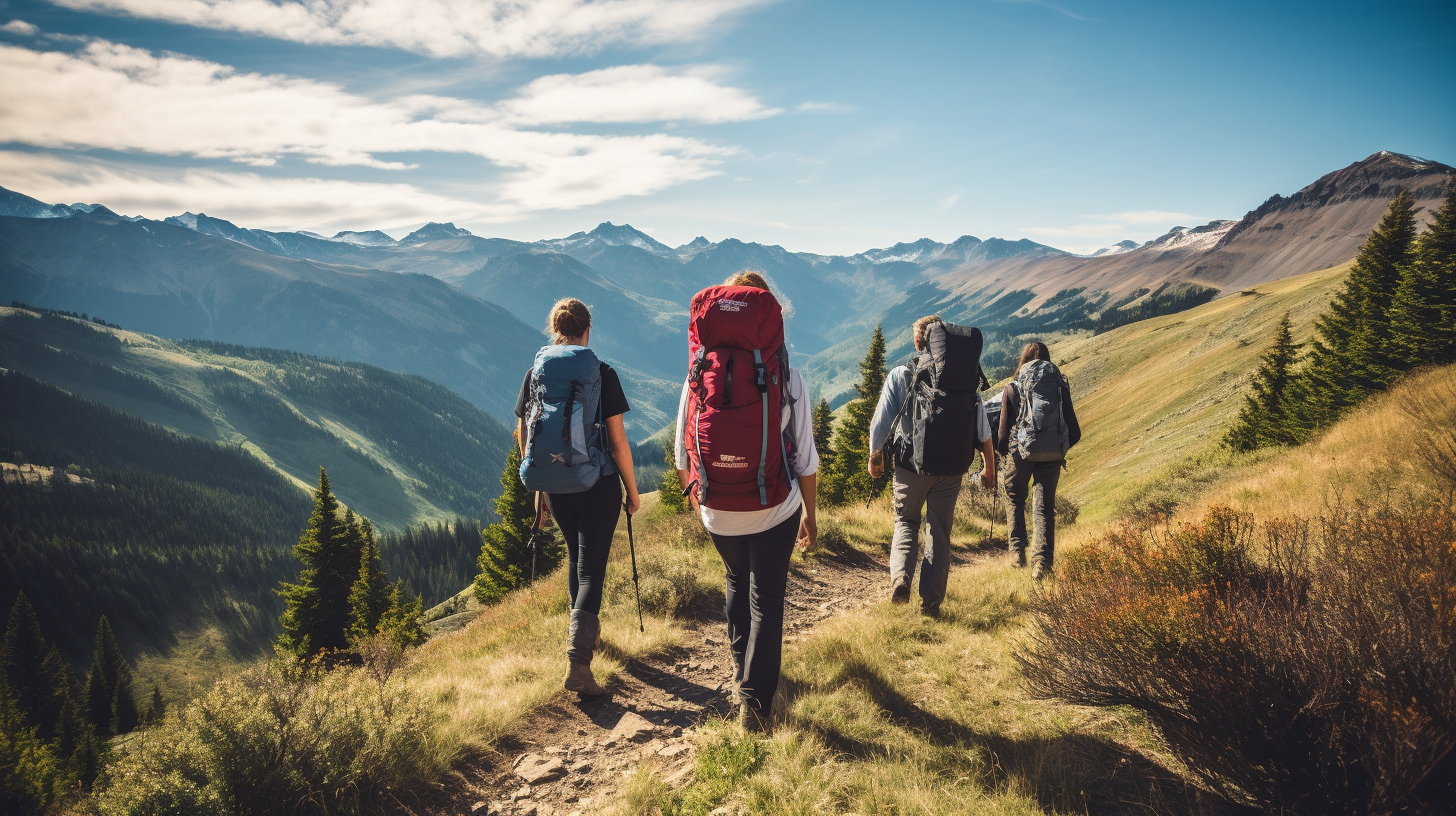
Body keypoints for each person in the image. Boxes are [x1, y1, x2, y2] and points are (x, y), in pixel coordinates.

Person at [675, 271, 819, 732]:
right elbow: (807, 459)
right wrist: (810, 517)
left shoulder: (698, 375)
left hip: (717, 508)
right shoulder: (789, 377)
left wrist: (701, 501)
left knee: (737, 579)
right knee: (768, 600)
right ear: (770, 317)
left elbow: (683, 451)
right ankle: (754, 707)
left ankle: (741, 674)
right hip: (774, 507)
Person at [516, 298, 641, 696]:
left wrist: (542, 483)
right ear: (588, 330)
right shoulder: (601, 373)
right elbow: (618, 442)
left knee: (576, 560)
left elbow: (523, 431)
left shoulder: (535, 373)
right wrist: (632, 492)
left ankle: (583, 641)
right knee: (592, 571)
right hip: (599, 484)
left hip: (557, 485)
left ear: (554, 330)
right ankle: (578, 661)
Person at [868, 315, 995, 616]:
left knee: (906, 521)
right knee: (939, 530)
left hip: (911, 466)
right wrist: (989, 468)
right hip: (952, 468)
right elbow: (984, 432)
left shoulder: (903, 373)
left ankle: (901, 580)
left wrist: (875, 457)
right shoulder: (966, 379)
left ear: (919, 340)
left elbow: (881, 423)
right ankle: (932, 602)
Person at [998, 341, 1080, 580]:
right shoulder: (1059, 387)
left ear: (1023, 361)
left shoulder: (1013, 387)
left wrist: (1009, 453)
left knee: (1014, 496)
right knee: (1044, 508)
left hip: (1021, 453)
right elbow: (1074, 431)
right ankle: (1042, 564)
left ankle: (1017, 554)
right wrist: (1058, 448)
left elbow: (1003, 436)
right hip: (1052, 454)